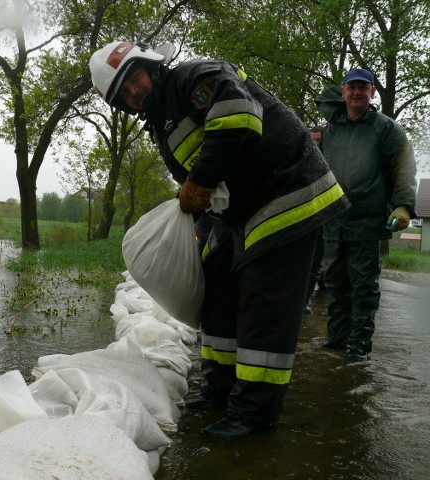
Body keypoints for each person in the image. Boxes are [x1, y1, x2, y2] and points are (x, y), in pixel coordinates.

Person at [89, 41, 350, 440]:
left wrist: (199, 181)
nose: (133, 92)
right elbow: (205, 180)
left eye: (133, 79)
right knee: (219, 293)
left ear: (150, 67)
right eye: (123, 94)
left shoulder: (197, 77)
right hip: (239, 212)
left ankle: (254, 413)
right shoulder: (163, 121)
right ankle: (221, 390)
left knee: (264, 305)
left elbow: (239, 120)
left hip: (287, 192)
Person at [314, 68, 417, 361]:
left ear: (372, 92)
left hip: (368, 221)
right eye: (352, 87)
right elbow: (320, 170)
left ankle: (359, 346)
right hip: (334, 221)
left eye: (363, 87)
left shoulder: (386, 128)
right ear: (343, 92)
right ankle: (337, 338)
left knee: (363, 286)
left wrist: (404, 206)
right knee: (334, 281)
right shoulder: (331, 130)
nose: (357, 92)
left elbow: (404, 167)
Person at [303, 125, 325, 315]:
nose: (316, 143)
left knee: (315, 263)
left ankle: (305, 300)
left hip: (323, 220)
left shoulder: (332, 160)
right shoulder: (300, 159)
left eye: (319, 139)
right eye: (313, 140)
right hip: (301, 219)